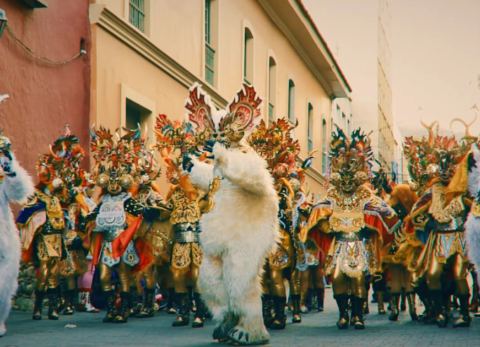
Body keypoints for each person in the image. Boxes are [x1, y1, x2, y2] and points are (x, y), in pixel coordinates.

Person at [304, 127, 399, 330]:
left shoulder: (365, 196)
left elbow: (387, 212)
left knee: (357, 280)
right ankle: (343, 314)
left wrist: (368, 225)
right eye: (343, 178)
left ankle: (357, 315)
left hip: (357, 244)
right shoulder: (332, 196)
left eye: (351, 178)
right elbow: (317, 210)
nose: (347, 183)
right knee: (338, 278)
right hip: (338, 244)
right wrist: (326, 225)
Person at [0, 132, 34, 337]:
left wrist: (11, 169)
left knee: (3, 281)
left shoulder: (2, 168)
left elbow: (19, 193)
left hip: (2, 237)